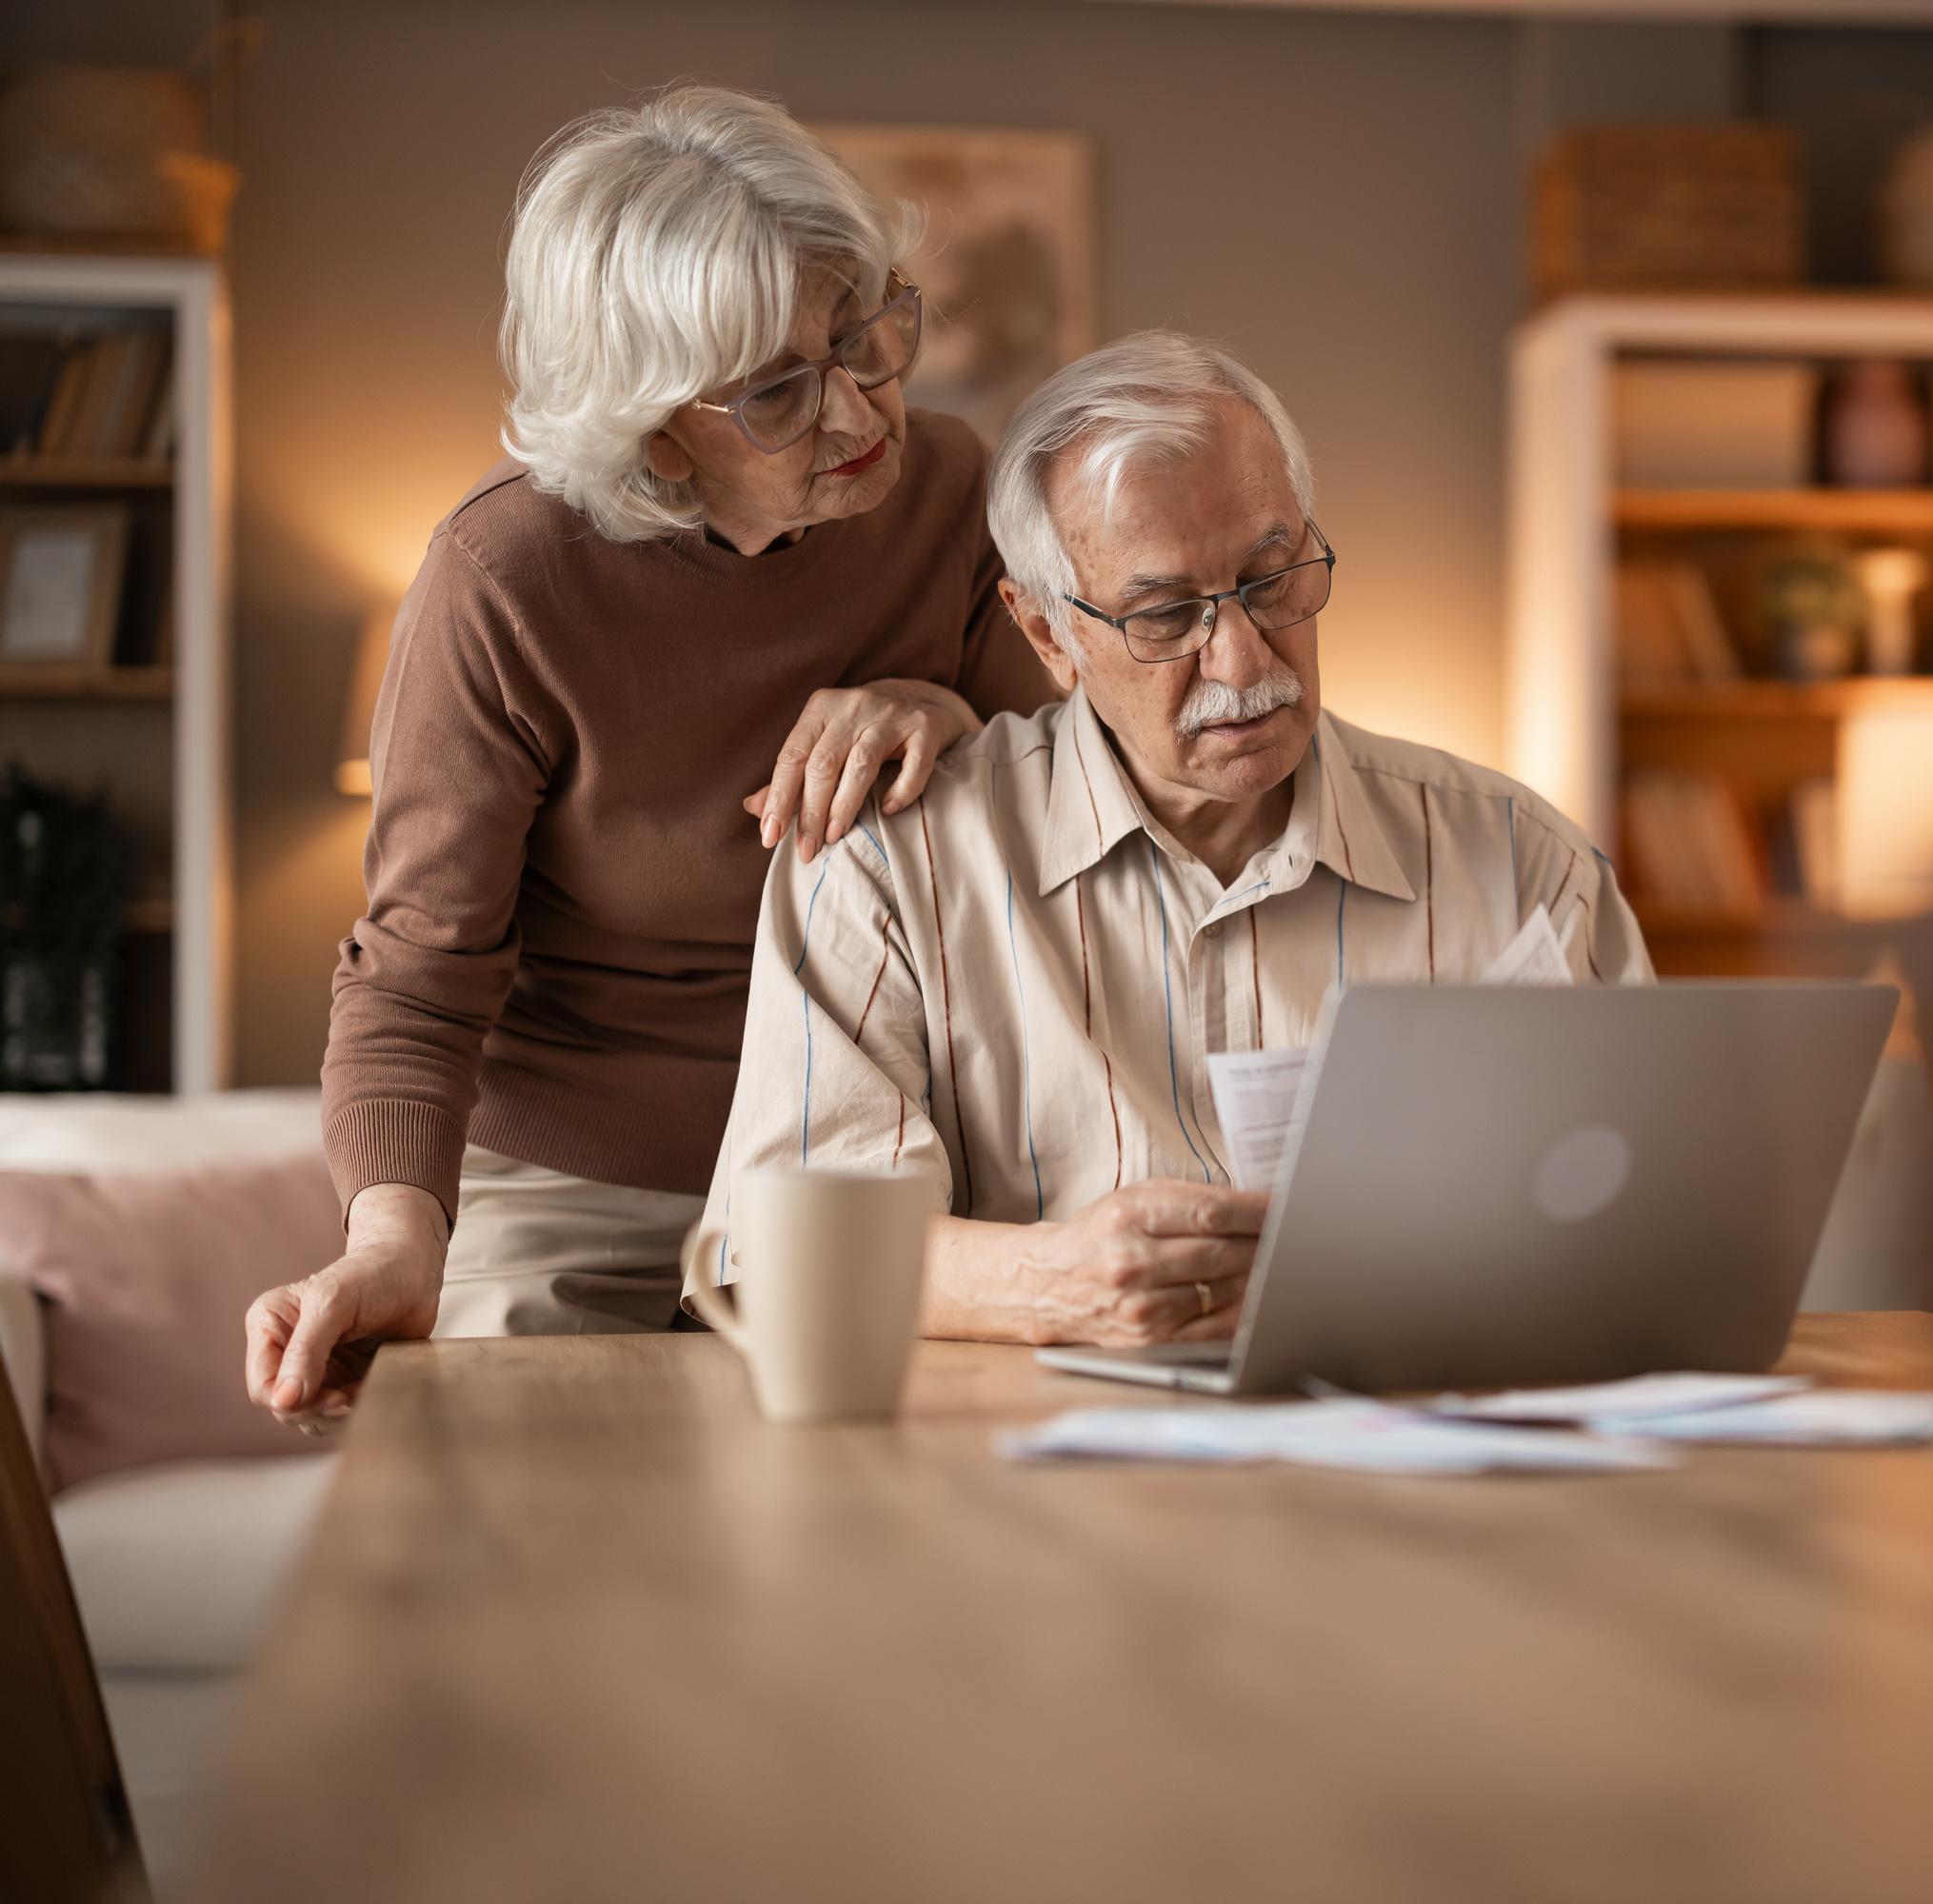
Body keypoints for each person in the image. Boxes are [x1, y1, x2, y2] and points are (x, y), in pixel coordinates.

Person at [243, 86, 1058, 1429]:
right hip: (578, 1183)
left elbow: (1067, 822)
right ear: (650, 421)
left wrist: (952, 720)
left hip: (871, 1165)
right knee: (522, 1519)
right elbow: (418, 978)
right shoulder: (506, 578)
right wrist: (392, 1241)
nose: (858, 412)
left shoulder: (956, 498)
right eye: (777, 390)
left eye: (864, 334)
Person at [691, 332, 1649, 1345]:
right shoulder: (889, 865)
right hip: (1029, 1441)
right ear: (1047, 633)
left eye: (1272, 580)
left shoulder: (1521, 861)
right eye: (1166, 615)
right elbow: (779, 1252)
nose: (1242, 660)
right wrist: (1054, 1282)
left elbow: (1653, 1225)